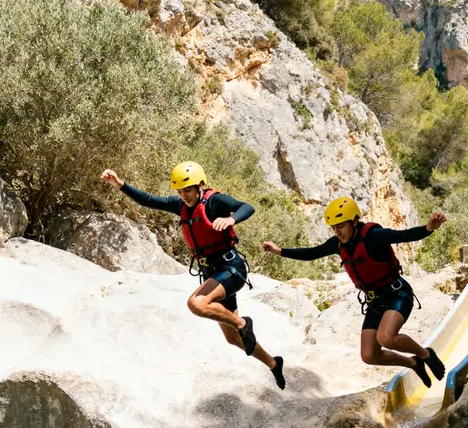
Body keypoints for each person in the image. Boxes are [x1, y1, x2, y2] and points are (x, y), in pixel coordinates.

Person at [100, 163, 285, 390]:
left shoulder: (214, 201)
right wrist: (120, 184)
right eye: (179, 191)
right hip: (212, 274)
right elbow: (148, 200)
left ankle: (243, 323)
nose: (183, 196)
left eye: (187, 190)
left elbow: (247, 207)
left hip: (232, 269)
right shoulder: (181, 206)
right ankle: (274, 363)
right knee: (233, 338)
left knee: (196, 304)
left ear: (200, 185)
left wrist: (231, 219)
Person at [262, 197, 446, 388]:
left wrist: (428, 228)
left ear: (355, 221)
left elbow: (403, 235)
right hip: (375, 302)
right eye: (333, 227)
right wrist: (279, 251)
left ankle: (426, 354)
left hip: (396, 295)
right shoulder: (337, 244)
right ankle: (413, 363)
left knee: (386, 338)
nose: (337, 232)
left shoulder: (374, 236)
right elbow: (311, 253)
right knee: (369, 355)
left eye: (341, 226)